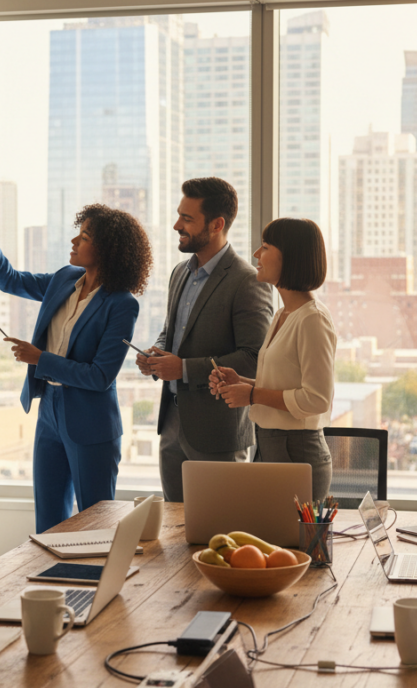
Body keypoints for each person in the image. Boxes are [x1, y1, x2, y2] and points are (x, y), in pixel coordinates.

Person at [0, 193, 153, 532]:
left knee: (95, 525)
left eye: (84, 237)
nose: (73, 241)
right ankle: (55, 585)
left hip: (90, 420)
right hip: (49, 410)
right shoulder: (65, 279)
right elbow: (10, 280)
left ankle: (97, 586)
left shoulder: (122, 305)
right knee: (49, 523)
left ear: (107, 250)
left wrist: (41, 359)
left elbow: (99, 376)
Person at [136, 177, 272, 502]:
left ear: (217, 225)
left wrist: (182, 368)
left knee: (222, 533)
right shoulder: (179, 273)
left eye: (187, 218)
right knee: (174, 532)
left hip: (218, 434)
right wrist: (156, 354)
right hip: (172, 426)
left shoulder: (247, 281)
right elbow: (173, 332)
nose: (176, 225)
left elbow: (254, 358)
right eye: (178, 215)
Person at [209, 218, 336, 501]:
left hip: (297, 451)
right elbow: (285, 383)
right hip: (269, 445)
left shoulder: (313, 319)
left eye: (265, 247)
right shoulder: (283, 314)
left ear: (290, 257)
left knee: (290, 544)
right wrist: (240, 381)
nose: (256, 254)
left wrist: (252, 394)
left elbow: (316, 399)